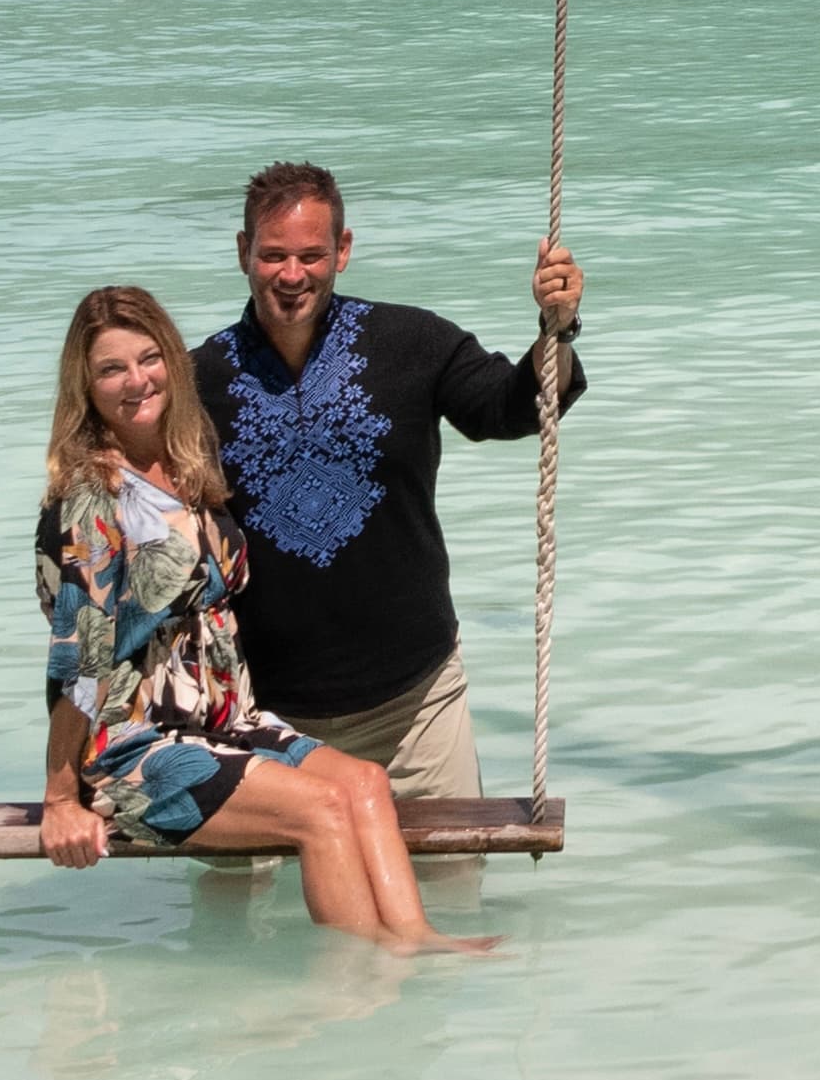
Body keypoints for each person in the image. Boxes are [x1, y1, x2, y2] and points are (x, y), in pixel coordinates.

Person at [36, 285, 498, 950]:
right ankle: (358, 985)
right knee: (319, 813)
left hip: (227, 723)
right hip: (135, 746)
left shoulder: (183, 465)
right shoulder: (93, 501)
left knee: (363, 784)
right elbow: (76, 660)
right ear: (85, 387)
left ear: (172, 359)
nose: (136, 380)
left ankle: (415, 941)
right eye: (111, 369)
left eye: (148, 358)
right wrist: (58, 800)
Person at [192, 161, 585, 801]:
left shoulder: (414, 342)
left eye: (312, 254)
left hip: (414, 708)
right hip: (258, 715)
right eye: (273, 256)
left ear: (343, 251)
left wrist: (556, 328)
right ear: (244, 253)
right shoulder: (195, 382)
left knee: (452, 897)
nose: (292, 275)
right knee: (235, 901)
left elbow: (510, 408)